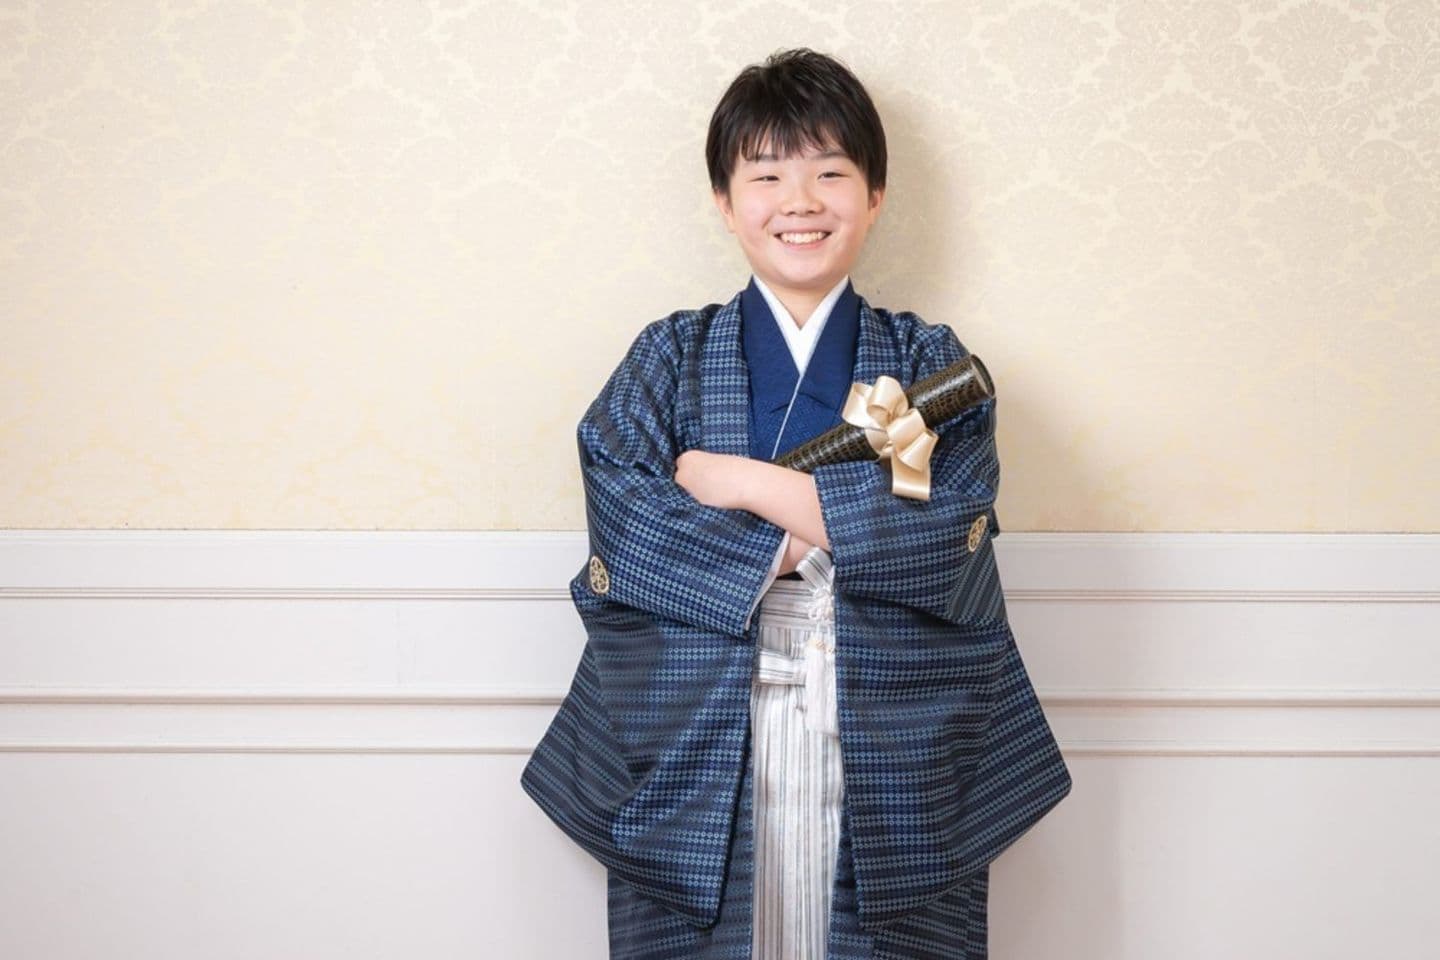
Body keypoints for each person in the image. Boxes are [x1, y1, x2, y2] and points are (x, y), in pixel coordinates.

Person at [520, 49, 1071, 960]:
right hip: (701, 724)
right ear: (724, 201)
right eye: (767, 176)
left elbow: (949, 535)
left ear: (876, 195)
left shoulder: (925, 363)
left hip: (889, 725)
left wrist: (747, 486)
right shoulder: (670, 356)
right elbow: (629, 524)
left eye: (831, 173)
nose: (800, 202)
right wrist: (824, 528)